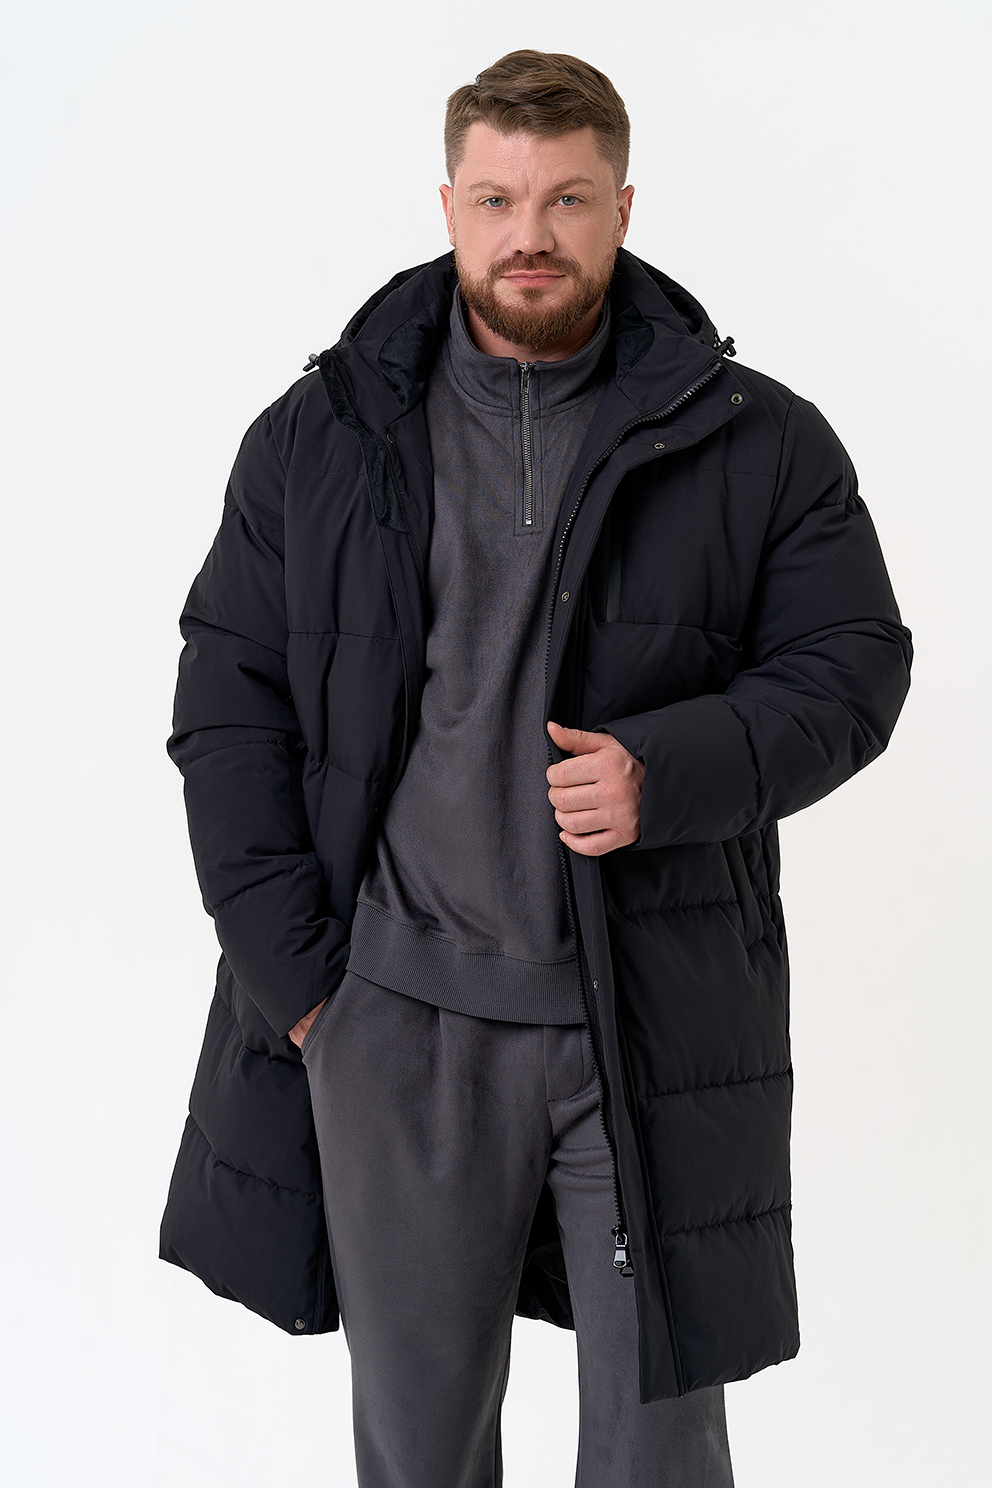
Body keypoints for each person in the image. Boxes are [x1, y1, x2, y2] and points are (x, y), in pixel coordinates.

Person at [160, 49, 912, 1487]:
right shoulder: (318, 437)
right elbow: (226, 705)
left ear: (622, 206)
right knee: (420, 1454)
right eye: (498, 199)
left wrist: (666, 772)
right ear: (448, 205)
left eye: (567, 199)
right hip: (395, 1026)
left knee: (659, 1450)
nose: (531, 236)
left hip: (644, 1021)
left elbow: (855, 664)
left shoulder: (757, 439)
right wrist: (304, 988)